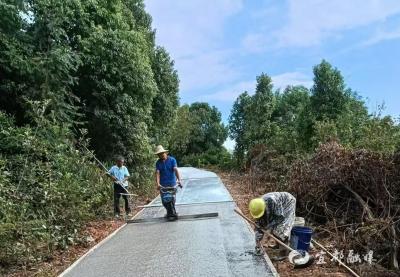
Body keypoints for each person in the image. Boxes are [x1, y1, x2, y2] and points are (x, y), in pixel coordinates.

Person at [249, 192, 296, 256]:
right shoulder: (257, 206)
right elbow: (259, 226)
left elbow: (280, 218)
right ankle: (275, 245)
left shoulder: (272, 202)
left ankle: (283, 252)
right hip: (274, 208)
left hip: (288, 202)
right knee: (264, 225)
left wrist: (269, 228)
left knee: (282, 228)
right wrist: (258, 244)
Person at [154, 145, 182, 220]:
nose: (161, 155)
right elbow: (157, 173)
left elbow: (175, 169)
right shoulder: (158, 163)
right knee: (164, 201)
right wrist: (158, 184)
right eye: (159, 154)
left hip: (172, 183)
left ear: (165, 153)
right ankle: (169, 212)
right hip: (163, 184)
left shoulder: (172, 160)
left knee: (172, 199)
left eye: (162, 154)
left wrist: (179, 180)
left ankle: (172, 213)